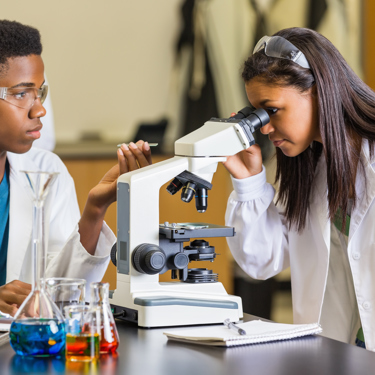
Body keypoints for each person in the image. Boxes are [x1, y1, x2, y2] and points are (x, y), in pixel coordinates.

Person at [223, 27, 375, 351]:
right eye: (258, 113)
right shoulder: (309, 168)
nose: (264, 127)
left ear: (318, 91)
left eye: (272, 109)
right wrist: (249, 182)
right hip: (338, 354)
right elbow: (262, 260)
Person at [0, 20, 152, 316]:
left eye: (39, 93)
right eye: (21, 94)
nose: (39, 109)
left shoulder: (46, 171)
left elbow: (63, 293)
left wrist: (95, 209)